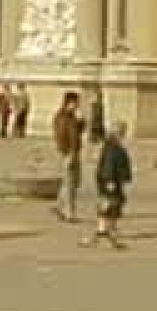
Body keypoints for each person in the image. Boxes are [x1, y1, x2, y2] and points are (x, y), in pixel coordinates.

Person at [90, 121, 131, 249]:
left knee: (108, 204)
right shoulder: (113, 147)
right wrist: (109, 181)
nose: (124, 135)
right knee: (112, 205)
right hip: (111, 181)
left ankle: (104, 228)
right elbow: (109, 164)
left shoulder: (111, 145)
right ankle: (108, 229)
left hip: (111, 180)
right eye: (123, 132)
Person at [52, 91, 85, 223]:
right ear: (70, 102)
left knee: (74, 182)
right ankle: (69, 213)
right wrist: (68, 152)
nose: (78, 105)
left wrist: (81, 121)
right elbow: (61, 136)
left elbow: (78, 132)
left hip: (75, 152)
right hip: (69, 153)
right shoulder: (62, 117)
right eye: (76, 102)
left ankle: (60, 206)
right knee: (70, 183)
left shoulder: (72, 117)